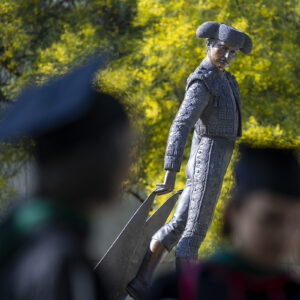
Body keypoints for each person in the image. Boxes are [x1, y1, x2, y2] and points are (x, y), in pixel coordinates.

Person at [127, 21, 252, 298]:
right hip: (208, 158)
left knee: (178, 224)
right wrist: (171, 170)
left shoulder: (225, 78)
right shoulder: (203, 79)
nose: (229, 56)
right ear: (208, 45)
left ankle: (142, 282)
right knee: (193, 234)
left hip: (215, 156)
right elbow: (181, 124)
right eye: (223, 49)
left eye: (233, 52)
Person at [0, 59, 132, 300]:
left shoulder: (18, 238)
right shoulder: (61, 262)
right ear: (100, 162)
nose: (129, 168)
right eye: (126, 153)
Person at [147, 145, 300, 300]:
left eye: (296, 222)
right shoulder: (177, 289)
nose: (284, 234)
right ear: (233, 211)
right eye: (271, 218)